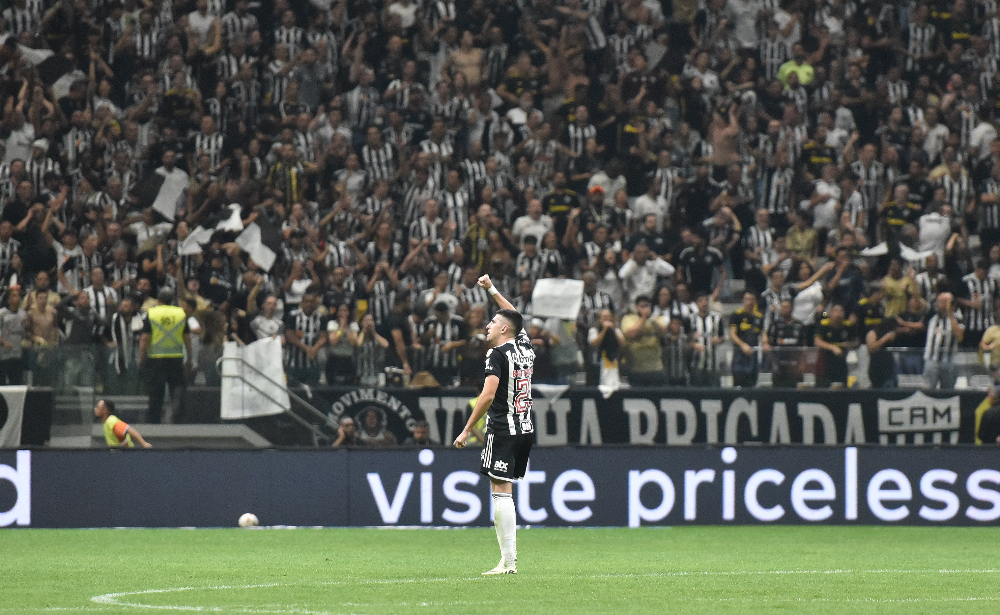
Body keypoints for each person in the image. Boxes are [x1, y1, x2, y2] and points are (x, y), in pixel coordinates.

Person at [454, 274, 533, 576]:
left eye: (491, 323)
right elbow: (516, 317)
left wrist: (466, 429)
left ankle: (509, 561)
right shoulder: (525, 346)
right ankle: (508, 560)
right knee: (505, 490)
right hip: (524, 428)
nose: (486, 326)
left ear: (502, 330)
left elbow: (487, 394)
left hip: (503, 428)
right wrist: (492, 290)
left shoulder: (497, 354)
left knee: (501, 490)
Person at [139, 288, 193, 424]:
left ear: (158, 300)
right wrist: (190, 358)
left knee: (156, 394)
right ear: (172, 300)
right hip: (176, 358)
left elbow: (145, 338)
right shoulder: (181, 314)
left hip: (156, 359)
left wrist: (141, 358)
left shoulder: (151, 313)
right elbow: (187, 338)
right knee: (177, 392)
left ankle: (154, 421)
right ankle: (179, 421)